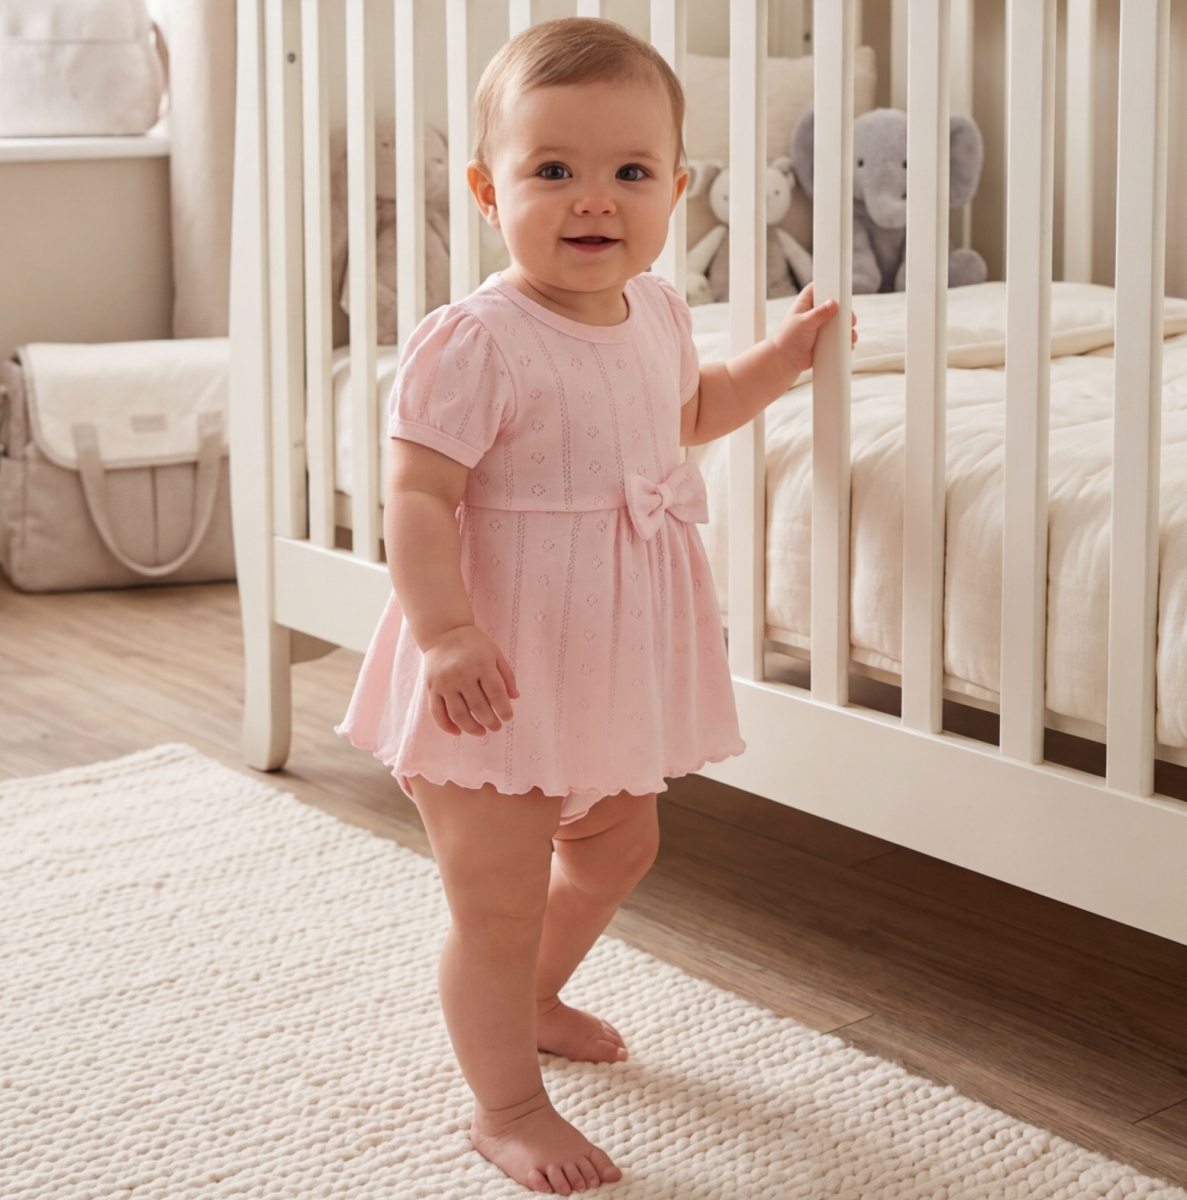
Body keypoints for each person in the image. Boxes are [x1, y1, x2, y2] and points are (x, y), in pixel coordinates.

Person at [338, 16, 855, 1195]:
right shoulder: (475, 341)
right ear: (488, 192)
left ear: (674, 189)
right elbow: (417, 495)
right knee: (498, 896)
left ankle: (531, 999)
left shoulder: (657, 311)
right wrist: (445, 632)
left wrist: (779, 359)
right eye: (551, 170)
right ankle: (506, 1104)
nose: (593, 199)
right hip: (494, 666)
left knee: (620, 842)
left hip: (604, 659)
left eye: (628, 171)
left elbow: (690, 409)